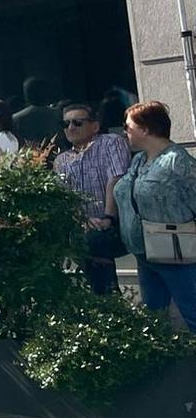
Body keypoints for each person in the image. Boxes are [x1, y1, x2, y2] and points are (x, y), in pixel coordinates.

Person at [110, 100, 196, 328]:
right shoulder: (138, 160)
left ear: (146, 129)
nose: (124, 132)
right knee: (154, 320)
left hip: (175, 252)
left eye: (128, 127)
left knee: (192, 312)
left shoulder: (177, 161)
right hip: (143, 252)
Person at [52, 99, 130, 295]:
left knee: (97, 246)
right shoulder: (62, 160)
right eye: (66, 123)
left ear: (95, 126)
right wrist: (82, 220)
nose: (70, 127)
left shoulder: (110, 142)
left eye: (78, 122)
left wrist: (108, 217)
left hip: (116, 224)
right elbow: (65, 197)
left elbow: (116, 178)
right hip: (83, 228)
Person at [13, 78, 62, 150]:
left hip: (30, 157)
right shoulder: (58, 114)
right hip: (58, 153)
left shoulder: (16, 118)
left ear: (26, 94)